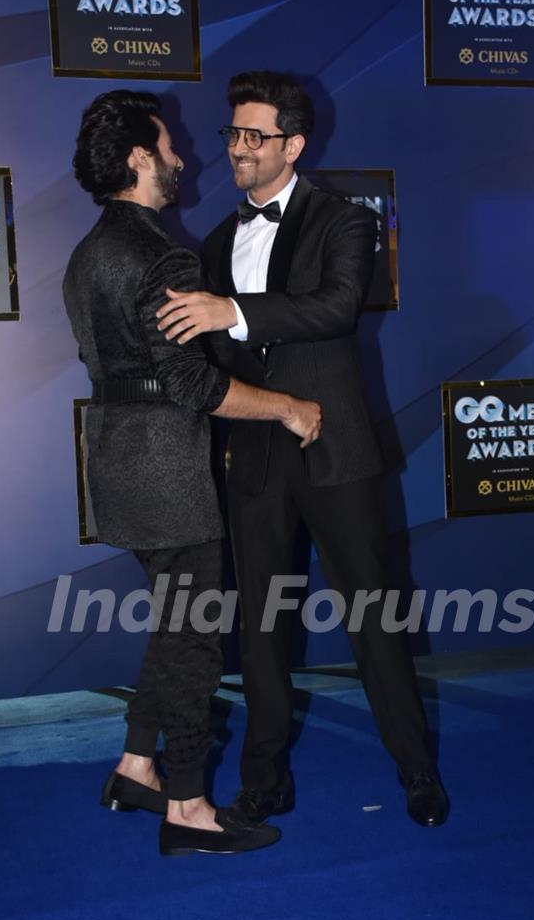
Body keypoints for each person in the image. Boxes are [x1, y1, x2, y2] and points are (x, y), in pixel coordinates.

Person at [155, 71, 449, 828]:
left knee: (374, 616)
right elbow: (214, 356)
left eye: (255, 136)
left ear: (294, 144)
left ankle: (416, 771)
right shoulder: (218, 240)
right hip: (254, 454)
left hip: (335, 449)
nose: (238, 150)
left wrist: (234, 310)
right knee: (258, 628)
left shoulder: (344, 221)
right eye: (233, 134)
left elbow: (337, 307)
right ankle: (266, 778)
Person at [63, 89, 321, 857]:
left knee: (175, 627)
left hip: (112, 464)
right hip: (168, 474)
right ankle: (187, 803)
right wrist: (286, 408)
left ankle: (135, 765)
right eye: (170, 146)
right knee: (198, 639)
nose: (184, 158)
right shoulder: (162, 256)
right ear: (141, 159)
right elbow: (194, 387)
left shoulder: (87, 254)